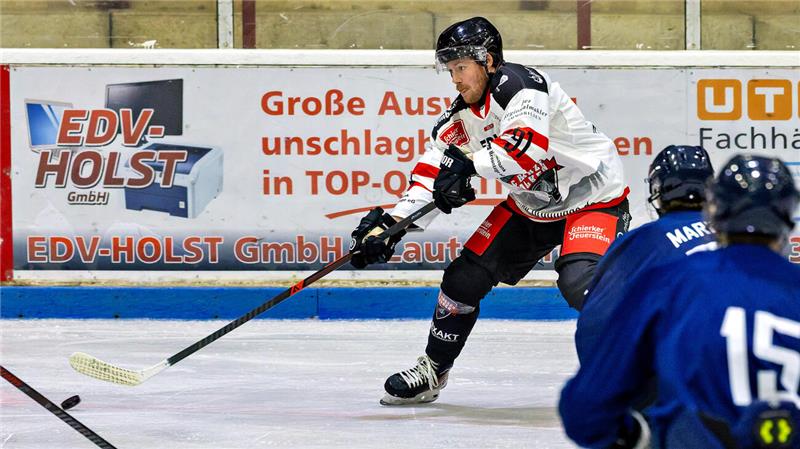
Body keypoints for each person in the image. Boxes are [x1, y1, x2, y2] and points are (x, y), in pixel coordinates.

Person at [348, 17, 629, 405]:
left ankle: (647, 364)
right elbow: (431, 174)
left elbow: (523, 147)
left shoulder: (522, 86)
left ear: (489, 62)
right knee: (463, 279)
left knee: (582, 282)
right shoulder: (456, 121)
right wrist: (391, 226)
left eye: (461, 68)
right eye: (450, 70)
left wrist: (467, 167)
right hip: (533, 204)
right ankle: (433, 369)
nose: (455, 80)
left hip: (593, 195)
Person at [559, 154, 800, 449]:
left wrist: (637, 435)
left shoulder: (667, 282)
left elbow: (586, 407)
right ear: (788, 219)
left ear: (716, 212)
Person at [576, 144, 715, 369]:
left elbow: (596, 323)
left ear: (658, 189)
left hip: (676, 381)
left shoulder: (642, 241)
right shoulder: (741, 237)